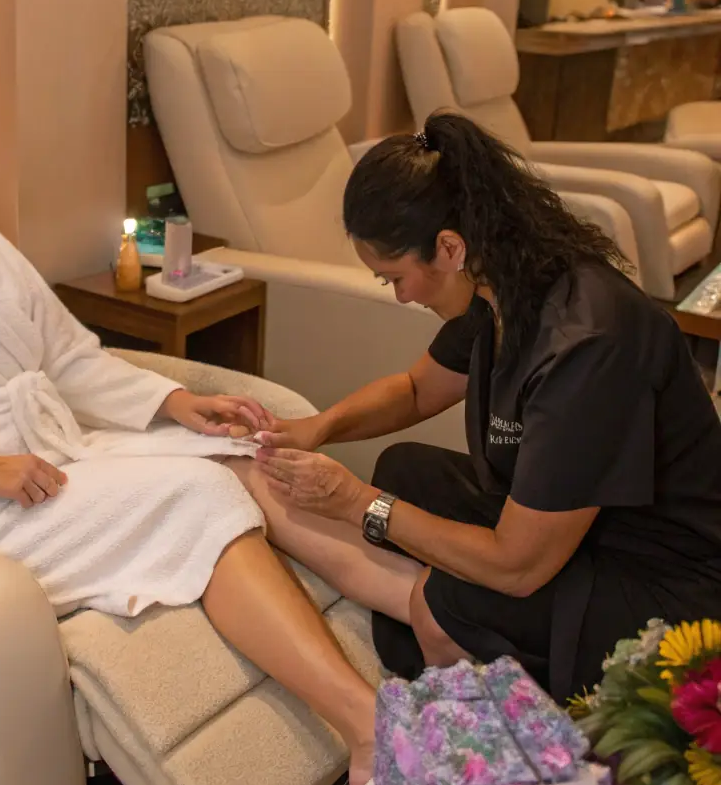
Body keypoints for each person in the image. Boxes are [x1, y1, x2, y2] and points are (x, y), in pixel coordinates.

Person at [0, 19, 378, 785]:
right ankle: (366, 722)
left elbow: (66, 354)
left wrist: (175, 401)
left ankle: (420, 613)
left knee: (238, 454)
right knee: (199, 495)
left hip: (52, 454)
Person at [247, 112, 721, 704]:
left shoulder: (586, 346)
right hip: (582, 528)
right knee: (405, 469)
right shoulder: (500, 284)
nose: (401, 297)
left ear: (448, 247)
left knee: (453, 599)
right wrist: (317, 427)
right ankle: (442, 618)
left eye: (395, 277)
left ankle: (477, 682)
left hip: (666, 584)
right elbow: (416, 390)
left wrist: (355, 501)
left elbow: (518, 567)